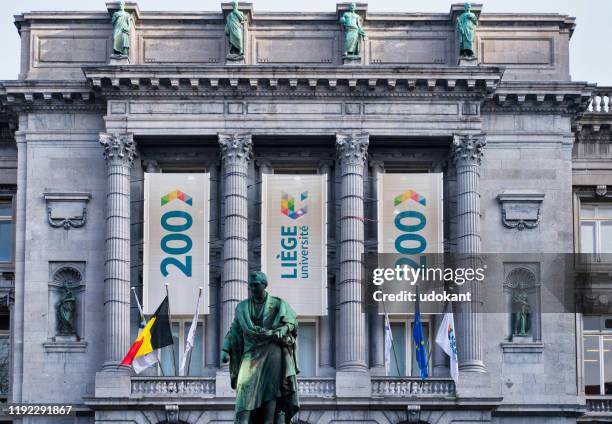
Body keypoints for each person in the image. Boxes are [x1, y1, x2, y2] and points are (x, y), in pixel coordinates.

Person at [221, 271, 299, 424]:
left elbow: (292, 323)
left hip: (272, 352)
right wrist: (225, 349)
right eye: (251, 285)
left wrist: (283, 329)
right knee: (244, 387)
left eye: (256, 285)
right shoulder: (242, 307)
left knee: (271, 392)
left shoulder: (278, 303)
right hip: (250, 353)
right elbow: (234, 330)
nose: (253, 288)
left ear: (264, 284)